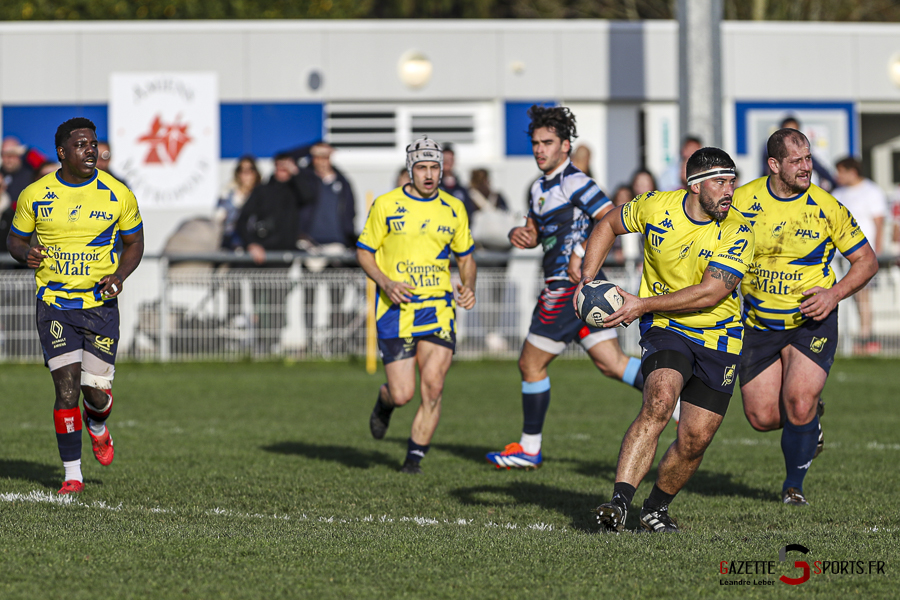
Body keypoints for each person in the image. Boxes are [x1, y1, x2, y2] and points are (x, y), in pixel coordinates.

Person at [580, 147, 753, 533]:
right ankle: (619, 504)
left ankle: (655, 509)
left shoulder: (739, 229)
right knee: (659, 400)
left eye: (732, 182)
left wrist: (640, 303)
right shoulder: (655, 207)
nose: (730, 191)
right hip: (666, 327)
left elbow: (711, 292)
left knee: (695, 439)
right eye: (720, 183)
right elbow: (607, 224)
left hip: (719, 338)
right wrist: (588, 279)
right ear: (694, 186)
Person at [484, 105, 645, 470]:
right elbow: (537, 232)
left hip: (565, 290)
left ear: (565, 145)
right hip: (577, 293)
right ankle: (676, 401)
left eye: (548, 142)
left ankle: (529, 448)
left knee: (530, 363)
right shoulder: (539, 187)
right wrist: (521, 234)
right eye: (536, 143)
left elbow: (608, 216)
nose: (540, 149)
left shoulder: (575, 181)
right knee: (612, 363)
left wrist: (578, 252)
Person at [735, 128, 877, 506]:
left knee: (798, 401)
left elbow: (867, 261)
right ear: (773, 164)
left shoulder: (827, 207)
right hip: (758, 324)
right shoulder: (741, 201)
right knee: (762, 417)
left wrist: (833, 294)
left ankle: (792, 487)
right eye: (796, 161)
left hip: (811, 321)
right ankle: (811, 420)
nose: (806, 167)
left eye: (809, 158)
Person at [6, 117, 144, 494]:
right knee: (66, 390)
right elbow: (15, 240)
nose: (91, 150)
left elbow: (135, 243)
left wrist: (119, 276)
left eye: (93, 144)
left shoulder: (118, 194)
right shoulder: (36, 194)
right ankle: (72, 475)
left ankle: (97, 425)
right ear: (62, 152)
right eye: (81, 144)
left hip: (99, 306)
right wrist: (25, 253)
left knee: (94, 392)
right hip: (54, 305)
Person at [358, 137, 477, 474]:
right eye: (422, 167)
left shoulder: (454, 207)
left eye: (434, 167)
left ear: (442, 170)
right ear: (410, 170)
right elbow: (364, 252)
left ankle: (413, 460)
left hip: (438, 307)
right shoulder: (386, 205)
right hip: (396, 309)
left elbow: (466, 258)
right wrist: (386, 282)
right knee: (403, 394)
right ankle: (385, 402)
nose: (428, 174)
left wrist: (468, 287)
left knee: (434, 385)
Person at [235, 153, 308, 352]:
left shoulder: (296, 190)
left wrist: (296, 173)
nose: (282, 170)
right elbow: (242, 221)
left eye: (287, 167)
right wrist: (252, 244)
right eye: (279, 166)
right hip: (261, 259)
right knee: (259, 304)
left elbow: (310, 195)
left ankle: (273, 343)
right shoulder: (263, 191)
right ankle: (260, 344)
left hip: (283, 259)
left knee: (277, 304)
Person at [832, 156, 887, 354]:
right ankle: (844, 339)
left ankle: (866, 338)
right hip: (837, 256)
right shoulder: (837, 193)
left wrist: (876, 253)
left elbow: (879, 222)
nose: (837, 176)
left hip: (862, 254)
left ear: (851, 171)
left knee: (863, 296)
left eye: (841, 171)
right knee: (840, 294)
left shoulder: (871, 191)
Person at [298, 142, 356, 251]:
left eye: (324, 157)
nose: (321, 161)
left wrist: (349, 234)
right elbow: (285, 159)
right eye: (317, 157)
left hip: (336, 241)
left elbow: (350, 211)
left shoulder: (342, 182)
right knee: (311, 267)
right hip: (309, 241)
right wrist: (309, 149)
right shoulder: (305, 179)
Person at [760, 116, 836, 191]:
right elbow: (765, 169)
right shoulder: (771, 146)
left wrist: (832, 182)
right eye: (788, 130)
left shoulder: (802, 145)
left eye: (795, 130)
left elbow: (817, 166)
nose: (792, 134)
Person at [216, 155, 261, 250]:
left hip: (257, 243)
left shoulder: (263, 194)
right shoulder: (227, 194)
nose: (246, 173)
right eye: (241, 170)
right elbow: (218, 219)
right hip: (232, 242)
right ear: (237, 173)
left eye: (250, 169)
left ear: (256, 173)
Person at [439, 142, 473, 216]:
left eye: (450, 159)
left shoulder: (462, 188)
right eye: (444, 159)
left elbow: (468, 211)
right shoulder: (433, 187)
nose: (447, 162)